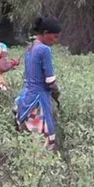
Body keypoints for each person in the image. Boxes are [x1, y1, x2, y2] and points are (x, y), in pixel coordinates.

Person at [14, 15, 63, 152]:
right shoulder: (44, 50)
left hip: (27, 97)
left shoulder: (30, 48)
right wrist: (57, 93)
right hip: (39, 99)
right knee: (44, 138)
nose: (55, 41)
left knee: (33, 138)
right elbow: (50, 80)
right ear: (46, 33)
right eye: (54, 37)